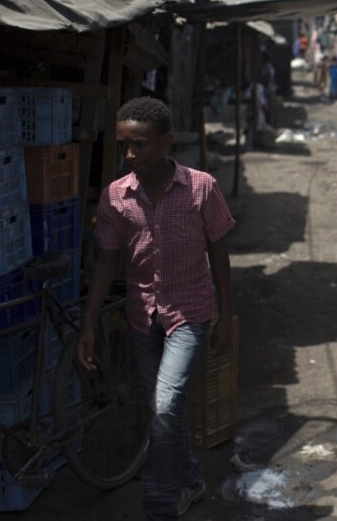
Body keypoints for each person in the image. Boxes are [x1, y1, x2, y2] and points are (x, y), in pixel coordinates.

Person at [78, 97, 235, 521]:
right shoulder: (116, 196)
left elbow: (218, 252)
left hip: (191, 312)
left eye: (141, 146)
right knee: (165, 406)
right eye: (125, 146)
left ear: (165, 142)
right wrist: (88, 324)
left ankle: (159, 503)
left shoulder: (201, 187)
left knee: (165, 403)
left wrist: (226, 315)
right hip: (141, 316)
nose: (131, 155)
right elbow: (106, 261)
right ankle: (189, 480)